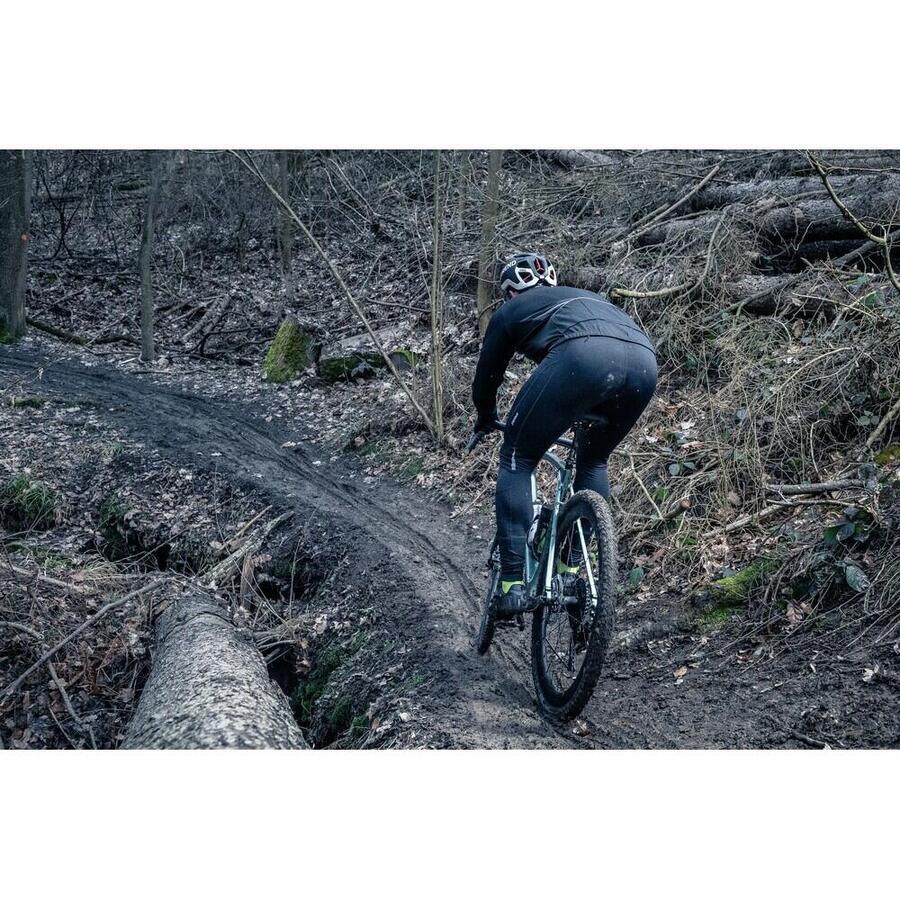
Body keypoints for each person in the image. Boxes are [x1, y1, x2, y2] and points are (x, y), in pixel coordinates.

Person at [471, 253, 658, 617]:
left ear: (510, 292)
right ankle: (570, 571)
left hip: (583, 355)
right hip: (643, 362)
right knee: (594, 461)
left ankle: (511, 584)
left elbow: (488, 375)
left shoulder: (512, 310)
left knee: (517, 456)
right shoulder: (585, 299)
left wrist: (485, 416)